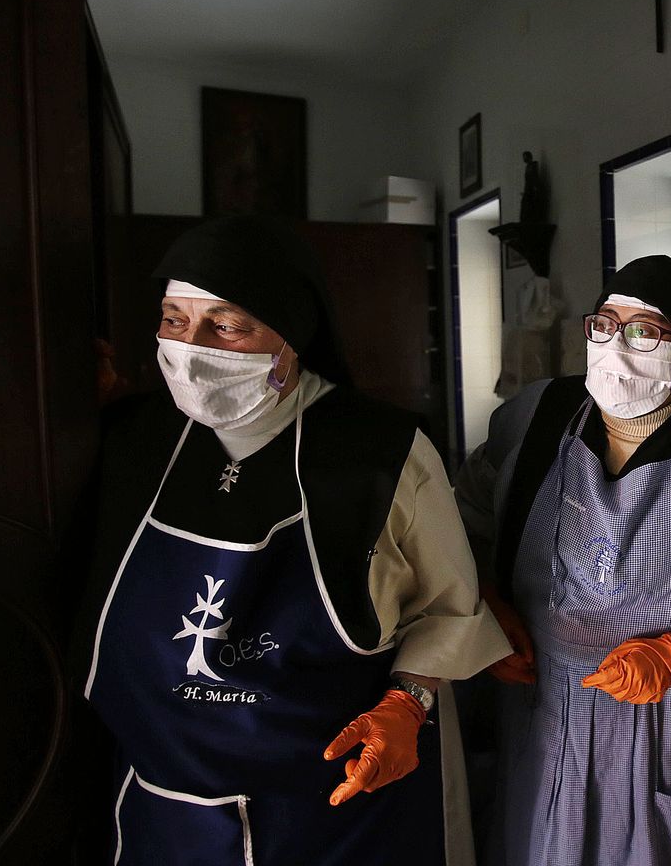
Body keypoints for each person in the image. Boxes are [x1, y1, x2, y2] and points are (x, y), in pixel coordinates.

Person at [74, 216, 510, 864]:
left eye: (225, 325)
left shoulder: (381, 452)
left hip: (339, 808)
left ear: (292, 331)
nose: (190, 347)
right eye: (172, 319)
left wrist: (407, 702)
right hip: (164, 803)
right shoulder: (131, 440)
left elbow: (448, 606)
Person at [454, 254, 671, 866]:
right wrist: (489, 606)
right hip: (534, 699)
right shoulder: (535, 419)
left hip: (649, 726)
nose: (618, 345)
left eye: (644, 331)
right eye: (606, 325)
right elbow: (465, 520)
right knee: (524, 842)